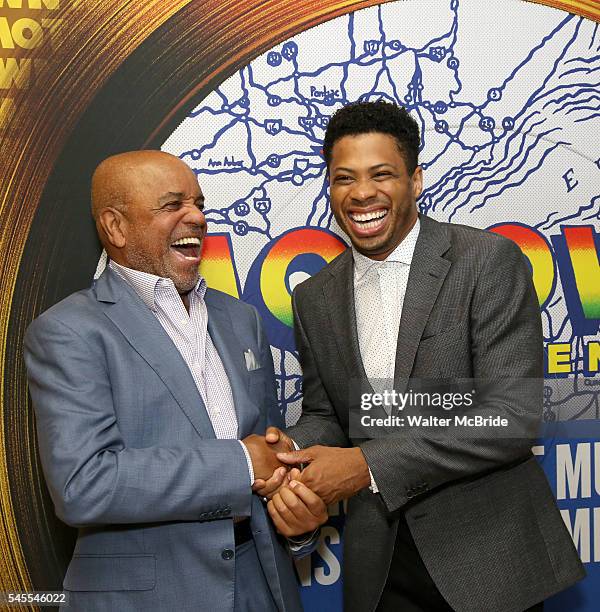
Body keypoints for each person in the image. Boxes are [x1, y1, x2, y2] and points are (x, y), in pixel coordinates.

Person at [255, 101, 584, 612]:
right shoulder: (313, 296)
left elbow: (512, 416)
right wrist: (290, 448)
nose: (362, 193)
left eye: (380, 174)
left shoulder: (486, 261)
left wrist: (365, 466)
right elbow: (332, 413)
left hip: (486, 556)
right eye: (344, 178)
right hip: (380, 560)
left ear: (415, 180)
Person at [24, 150, 327, 612]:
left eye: (199, 204)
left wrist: (295, 519)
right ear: (115, 227)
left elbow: (269, 455)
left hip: (264, 586)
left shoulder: (240, 318)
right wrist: (242, 464)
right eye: (173, 206)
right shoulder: (69, 331)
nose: (197, 218)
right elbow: (84, 484)